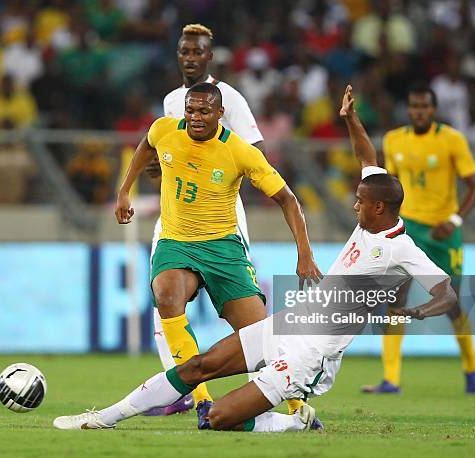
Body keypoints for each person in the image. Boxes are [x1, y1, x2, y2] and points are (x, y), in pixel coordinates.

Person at [53, 85, 457, 432]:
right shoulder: (371, 213)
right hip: (293, 323)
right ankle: (102, 417)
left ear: (382, 208)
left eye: (361, 202)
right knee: (198, 366)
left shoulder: (401, 247)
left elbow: (448, 295)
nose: (354, 206)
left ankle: (294, 421)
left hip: (310, 355)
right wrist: (351, 119)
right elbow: (367, 157)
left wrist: (411, 314)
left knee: (214, 418)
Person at [145, 23, 310, 423]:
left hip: (222, 217)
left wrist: (215, 181)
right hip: (176, 214)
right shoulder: (171, 100)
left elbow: (253, 153)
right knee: (164, 301)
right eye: (183, 51)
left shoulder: (230, 98)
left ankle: (291, 398)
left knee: (244, 318)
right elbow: (166, 146)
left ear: (209, 56)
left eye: (197, 52)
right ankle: (192, 393)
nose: (189, 58)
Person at [362, 82, 475, 394]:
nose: (419, 112)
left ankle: (472, 369)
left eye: (424, 107)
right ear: (409, 109)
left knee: (452, 302)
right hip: (408, 229)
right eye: (414, 106)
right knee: (395, 298)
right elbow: (386, 184)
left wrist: (454, 219)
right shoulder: (393, 139)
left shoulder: (452, 140)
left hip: (444, 231)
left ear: (434, 109)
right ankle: (391, 378)